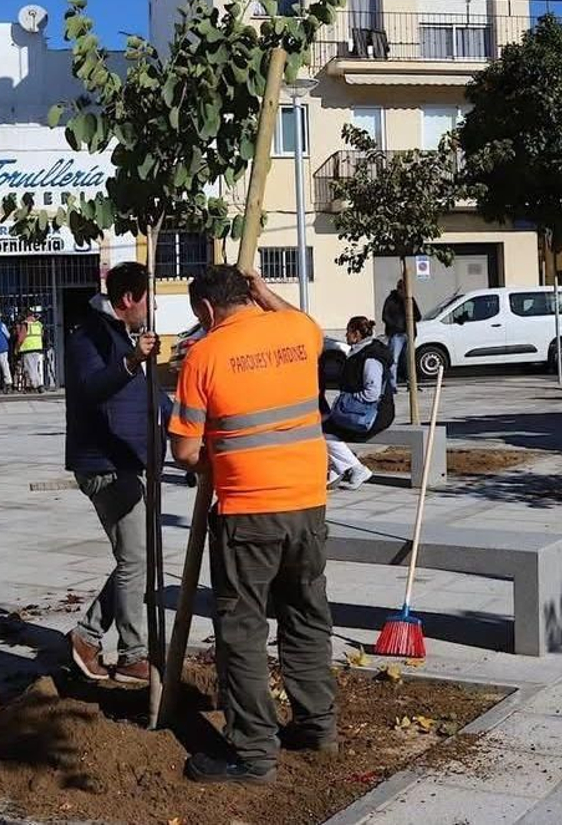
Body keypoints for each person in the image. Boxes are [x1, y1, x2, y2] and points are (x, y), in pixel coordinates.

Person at [169, 265, 335, 784]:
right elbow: (297, 318)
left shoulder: (203, 356)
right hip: (308, 507)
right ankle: (317, 727)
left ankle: (253, 756)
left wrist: (216, 458)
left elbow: (186, 450)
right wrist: (265, 289)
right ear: (252, 295)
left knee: (242, 633)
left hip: (247, 515)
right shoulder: (298, 332)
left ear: (205, 311)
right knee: (306, 617)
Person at [63, 262, 165, 685]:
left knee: (136, 558)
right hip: (103, 463)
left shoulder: (124, 337)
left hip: (126, 460)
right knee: (135, 559)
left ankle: (86, 638)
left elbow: (143, 394)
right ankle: (132, 653)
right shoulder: (89, 334)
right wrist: (131, 360)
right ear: (128, 299)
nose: (152, 307)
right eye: (148, 299)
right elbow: (92, 389)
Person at [322, 316, 395, 490]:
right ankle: (338, 470)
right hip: (360, 411)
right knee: (326, 427)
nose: (345, 335)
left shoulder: (370, 358)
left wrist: (348, 400)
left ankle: (356, 468)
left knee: (325, 433)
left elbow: (372, 393)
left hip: (373, 414)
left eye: (348, 332)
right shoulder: (359, 352)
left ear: (356, 334)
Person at [381, 277, 421, 385]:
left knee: (409, 360)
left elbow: (418, 316)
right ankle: (392, 384)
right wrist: (395, 327)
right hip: (396, 335)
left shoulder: (410, 299)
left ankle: (411, 383)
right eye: (402, 290)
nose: (404, 293)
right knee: (394, 360)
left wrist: (410, 314)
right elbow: (385, 316)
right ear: (398, 289)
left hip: (409, 333)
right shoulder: (391, 300)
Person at [18, 308, 46, 393]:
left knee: (29, 369)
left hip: (28, 348)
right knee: (34, 368)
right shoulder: (38, 324)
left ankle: (35, 386)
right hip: (37, 348)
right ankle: (39, 384)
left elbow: (21, 338)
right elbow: (42, 334)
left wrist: (17, 347)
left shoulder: (26, 324)